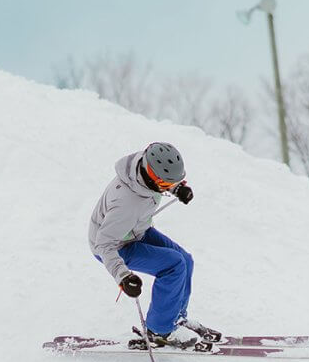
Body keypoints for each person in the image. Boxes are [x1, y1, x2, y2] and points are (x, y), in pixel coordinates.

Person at [88, 142, 217, 348]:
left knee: (185, 260)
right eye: (166, 185)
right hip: (116, 246)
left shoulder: (143, 168)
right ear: (153, 177)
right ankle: (160, 330)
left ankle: (176, 318)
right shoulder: (126, 203)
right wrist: (123, 276)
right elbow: (104, 244)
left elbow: (161, 178)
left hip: (136, 230)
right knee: (173, 265)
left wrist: (177, 188)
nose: (168, 188)